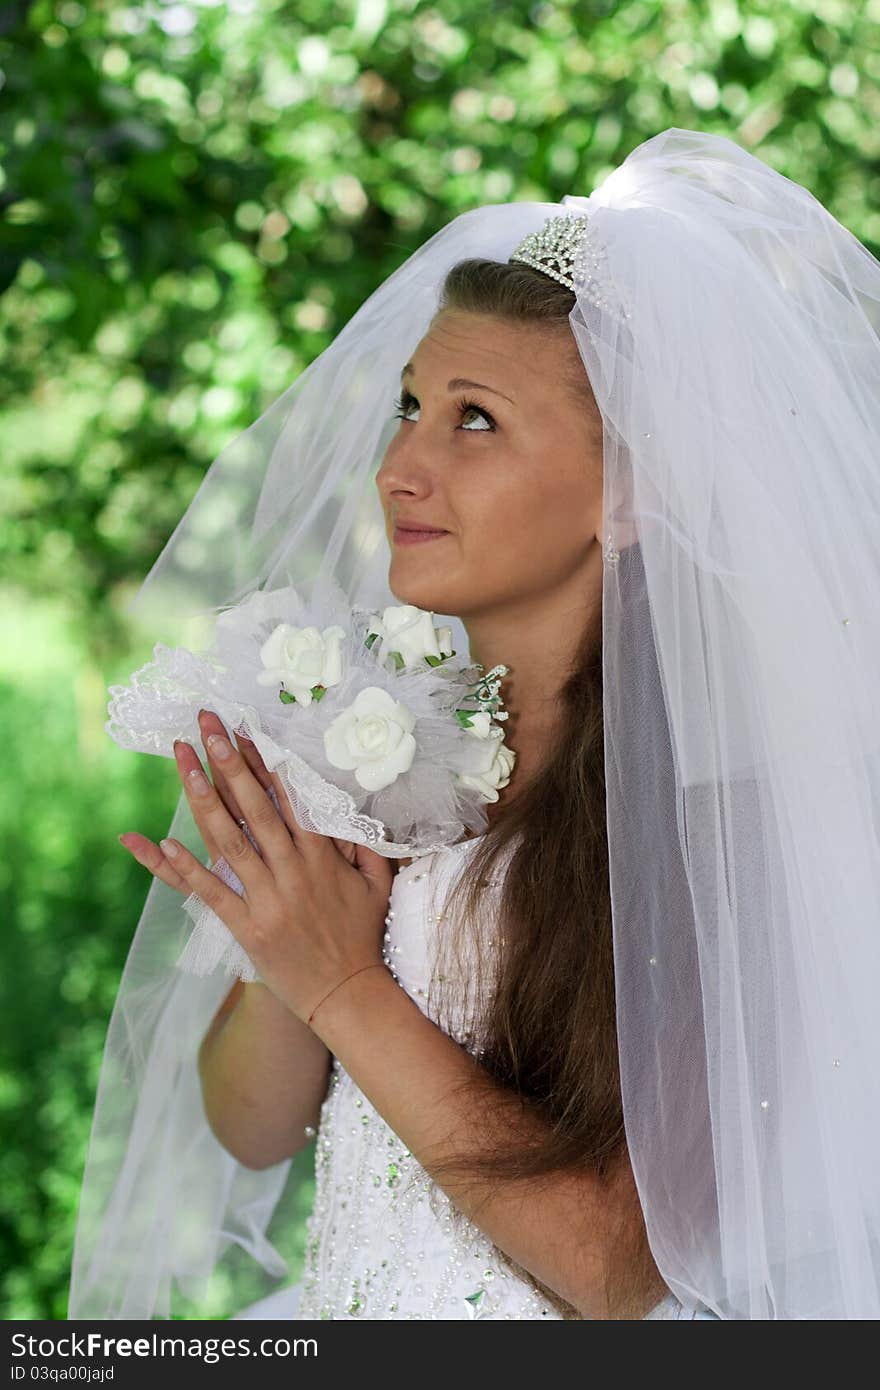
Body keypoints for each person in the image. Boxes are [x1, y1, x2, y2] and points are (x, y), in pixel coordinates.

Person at [69, 128, 880, 1321]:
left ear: (629, 493)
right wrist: (283, 931)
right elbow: (250, 1130)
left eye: (476, 420)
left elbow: (614, 1270)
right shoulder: (382, 744)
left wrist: (347, 982)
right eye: (410, 406)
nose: (401, 464)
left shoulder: (720, 819)